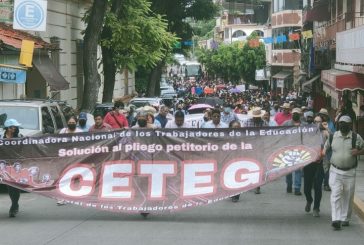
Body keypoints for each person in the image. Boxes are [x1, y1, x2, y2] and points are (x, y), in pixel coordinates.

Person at [323, 115, 364, 230]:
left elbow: (363, 148)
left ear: (350, 125)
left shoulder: (356, 137)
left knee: (348, 195)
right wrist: (322, 154)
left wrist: (359, 152)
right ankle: (336, 219)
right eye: (341, 123)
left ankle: (345, 218)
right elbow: (325, 148)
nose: (343, 125)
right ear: (338, 125)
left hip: (350, 172)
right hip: (335, 171)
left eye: (345, 123)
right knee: (335, 195)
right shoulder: (333, 136)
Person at [303, 115, 328, 217]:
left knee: (318, 187)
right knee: (306, 188)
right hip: (309, 163)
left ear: (322, 122)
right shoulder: (308, 133)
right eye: (315, 122)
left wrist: (327, 129)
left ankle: (316, 208)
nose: (317, 124)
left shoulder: (325, 132)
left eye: (319, 122)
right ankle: (309, 200)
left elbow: (332, 139)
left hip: (320, 163)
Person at [57, 116, 83, 205]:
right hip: (64, 158)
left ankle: (75, 195)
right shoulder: (63, 131)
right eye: (70, 122)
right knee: (64, 177)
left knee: (76, 177)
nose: (71, 124)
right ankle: (62, 197)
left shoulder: (80, 132)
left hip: (76, 158)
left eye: (73, 122)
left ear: (76, 123)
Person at [282, 108, 307, 195]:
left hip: (299, 150)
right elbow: (280, 133)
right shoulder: (286, 123)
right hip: (288, 149)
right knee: (288, 170)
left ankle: (297, 188)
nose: (295, 115)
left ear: (300, 115)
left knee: (298, 170)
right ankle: (289, 185)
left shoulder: (304, 125)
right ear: (292, 114)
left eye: (297, 113)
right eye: (294, 113)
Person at [2, 119, 23, 217]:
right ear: (7, 128)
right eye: (12, 127)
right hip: (3, 165)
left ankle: (14, 206)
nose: (14, 129)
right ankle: (15, 205)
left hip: (15, 165)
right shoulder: (1, 137)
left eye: (15, 127)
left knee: (14, 186)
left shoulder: (19, 137)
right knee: (8, 185)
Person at [229, 120, 243, 202]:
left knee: (238, 176)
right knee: (230, 176)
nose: (237, 129)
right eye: (235, 127)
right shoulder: (226, 136)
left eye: (238, 127)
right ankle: (231, 192)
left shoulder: (244, 135)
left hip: (240, 158)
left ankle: (236, 194)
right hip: (229, 158)